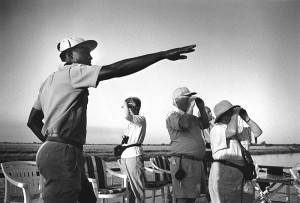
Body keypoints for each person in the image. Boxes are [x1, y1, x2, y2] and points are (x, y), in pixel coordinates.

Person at [26, 37, 196, 203]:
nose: (91, 57)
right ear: (70, 55)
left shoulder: (48, 81)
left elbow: (32, 121)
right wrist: (163, 55)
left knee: (87, 198)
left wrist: (51, 143)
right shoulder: (74, 71)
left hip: (52, 151)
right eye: (85, 52)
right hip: (63, 153)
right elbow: (117, 69)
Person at [208, 100, 263, 203]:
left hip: (243, 172)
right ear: (223, 116)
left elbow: (258, 132)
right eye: (230, 112)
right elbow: (231, 131)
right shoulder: (216, 129)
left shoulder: (239, 129)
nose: (234, 114)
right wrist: (235, 115)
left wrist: (246, 118)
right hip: (226, 171)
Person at [166, 87, 209, 203]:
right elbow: (184, 124)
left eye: (189, 98)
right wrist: (190, 106)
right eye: (186, 98)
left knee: (193, 197)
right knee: (184, 198)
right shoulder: (172, 116)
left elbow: (205, 124)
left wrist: (201, 108)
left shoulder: (192, 117)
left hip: (196, 162)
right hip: (183, 162)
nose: (189, 100)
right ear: (176, 101)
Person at [119, 97, 146, 203]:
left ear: (138, 107)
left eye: (130, 106)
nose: (128, 109)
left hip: (134, 156)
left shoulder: (140, 119)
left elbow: (126, 116)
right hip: (125, 156)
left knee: (137, 187)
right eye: (127, 107)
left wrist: (125, 103)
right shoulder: (130, 124)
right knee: (127, 188)